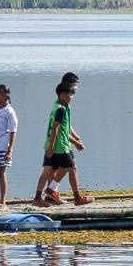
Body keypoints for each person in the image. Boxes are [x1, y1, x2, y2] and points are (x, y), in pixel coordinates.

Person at [34, 81, 91, 206]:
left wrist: (50, 146)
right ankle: (51, 190)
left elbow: (64, 128)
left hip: (50, 144)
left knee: (47, 170)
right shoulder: (61, 110)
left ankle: (37, 198)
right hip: (59, 146)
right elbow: (56, 129)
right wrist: (53, 147)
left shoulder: (56, 106)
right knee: (69, 166)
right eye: (69, 94)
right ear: (61, 94)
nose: (71, 97)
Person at [41, 72, 82, 204]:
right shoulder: (61, 106)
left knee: (66, 167)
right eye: (74, 86)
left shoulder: (65, 104)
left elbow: (67, 125)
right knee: (64, 167)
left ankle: (53, 194)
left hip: (63, 142)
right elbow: (58, 128)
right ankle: (54, 193)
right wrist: (75, 142)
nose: (76, 90)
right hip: (60, 143)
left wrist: (75, 136)